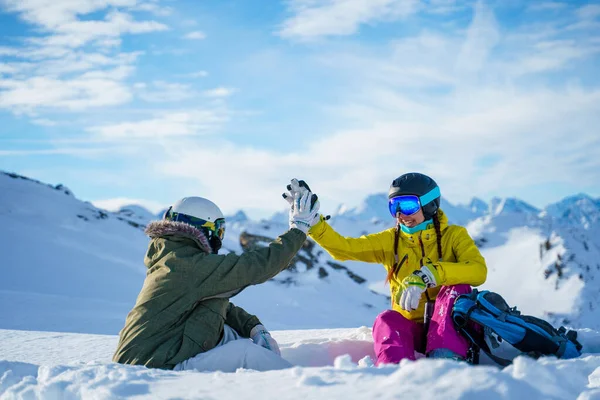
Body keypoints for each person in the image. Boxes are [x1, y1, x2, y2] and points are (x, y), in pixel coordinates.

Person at [283, 174, 487, 364]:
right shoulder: (392, 240)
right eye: (394, 206)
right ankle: (393, 373)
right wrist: (314, 223)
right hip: (412, 331)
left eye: (407, 205)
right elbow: (345, 248)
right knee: (386, 319)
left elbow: (478, 271)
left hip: (452, 331)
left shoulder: (454, 236)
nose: (400, 214)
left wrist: (431, 274)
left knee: (456, 289)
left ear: (430, 204)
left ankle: (446, 363)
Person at [113, 192, 320, 372]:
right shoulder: (189, 265)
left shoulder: (174, 259)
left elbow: (212, 304)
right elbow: (255, 266)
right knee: (246, 353)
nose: (219, 238)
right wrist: (298, 229)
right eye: (218, 230)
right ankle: (302, 389)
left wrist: (253, 327)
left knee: (231, 335)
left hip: (157, 354)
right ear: (203, 228)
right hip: (154, 367)